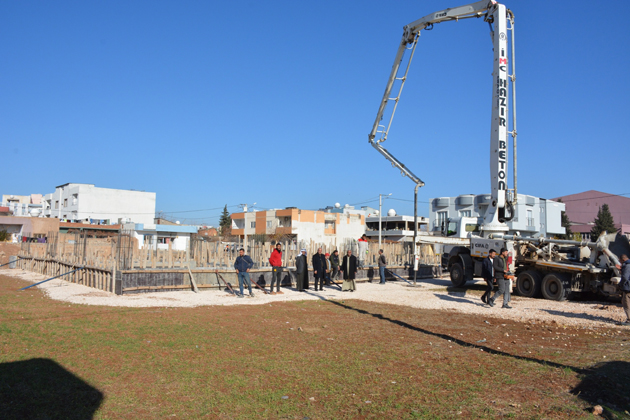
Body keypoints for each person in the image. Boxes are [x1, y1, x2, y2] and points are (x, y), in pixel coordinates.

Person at [618, 254, 630, 326]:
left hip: (628, 287)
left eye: (620, 262)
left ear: (623, 260)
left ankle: (629, 320)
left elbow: (625, 277)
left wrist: (620, 284)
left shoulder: (627, 265)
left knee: (627, 303)